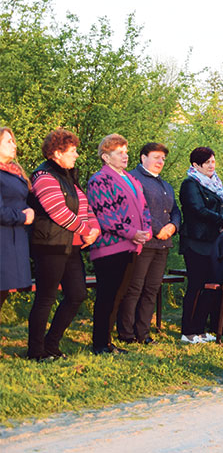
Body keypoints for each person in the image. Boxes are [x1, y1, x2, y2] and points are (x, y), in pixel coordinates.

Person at [25, 129, 101, 360]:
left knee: (77, 294)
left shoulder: (68, 176)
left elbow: (85, 206)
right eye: (73, 151)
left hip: (70, 246)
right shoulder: (44, 176)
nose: (77, 155)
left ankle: (51, 344)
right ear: (57, 153)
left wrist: (94, 230)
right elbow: (58, 212)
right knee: (46, 298)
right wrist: (86, 230)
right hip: (49, 245)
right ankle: (36, 351)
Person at [86, 134, 153, 355]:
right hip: (109, 248)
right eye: (119, 152)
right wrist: (133, 232)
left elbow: (144, 208)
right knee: (108, 295)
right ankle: (99, 344)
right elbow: (105, 215)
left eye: (126, 151)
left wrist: (147, 231)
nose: (125, 156)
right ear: (106, 157)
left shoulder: (131, 179)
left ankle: (107, 342)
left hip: (131, 246)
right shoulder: (99, 180)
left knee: (118, 296)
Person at [121, 142, 181, 344]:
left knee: (152, 289)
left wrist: (173, 226)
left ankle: (143, 333)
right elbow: (139, 209)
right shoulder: (133, 179)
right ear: (143, 157)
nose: (160, 162)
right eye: (156, 157)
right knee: (134, 288)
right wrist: (158, 229)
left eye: (163, 158)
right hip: (142, 243)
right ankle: (127, 333)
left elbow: (175, 210)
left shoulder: (165, 185)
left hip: (163, 245)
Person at [178, 147, 223, 344]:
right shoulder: (190, 184)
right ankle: (188, 331)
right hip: (196, 241)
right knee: (196, 286)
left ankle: (200, 329)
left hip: (213, 243)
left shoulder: (216, 185)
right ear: (196, 165)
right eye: (207, 162)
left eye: (213, 161)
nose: (212, 165)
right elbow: (197, 210)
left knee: (211, 286)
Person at [0, 127, 33, 310]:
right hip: (3, 241)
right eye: (8, 141)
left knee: (3, 291)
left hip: (13, 240)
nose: (14, 145)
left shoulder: (14, 172)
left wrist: (28, 210)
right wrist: (23, 217)